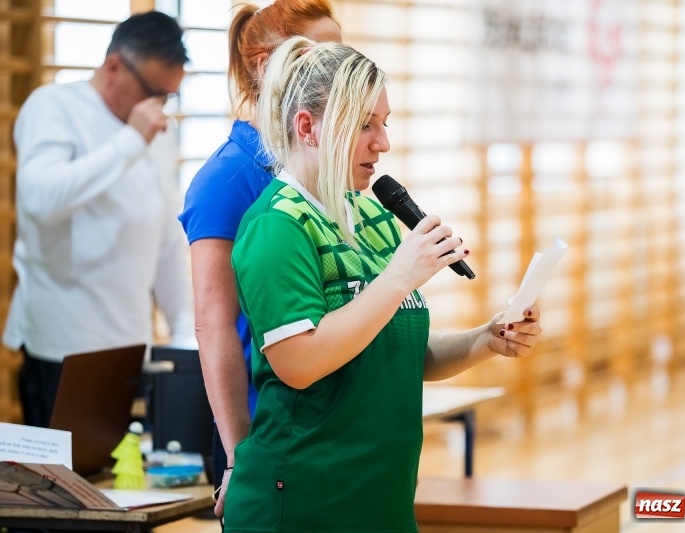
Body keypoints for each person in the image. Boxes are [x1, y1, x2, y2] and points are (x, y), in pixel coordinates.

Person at [224, 36, 542, 532]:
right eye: (364, 125)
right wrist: (399, 276)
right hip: (304, 505)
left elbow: (395, 349)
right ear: (307, 127)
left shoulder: (371, 212)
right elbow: (301, 364)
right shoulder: (277, 226)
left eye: (384, 124)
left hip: (381, 502)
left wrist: (486, 339)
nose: (383, 142)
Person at [177, 0, 341, 516]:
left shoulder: (317, 165)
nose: (339, 67)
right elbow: (213, 326)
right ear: (270, 65)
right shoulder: (225, 180)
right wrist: (236, 457)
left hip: (321, 423)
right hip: (261, 433)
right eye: (322, 54)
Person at [4, 11, 195, 429]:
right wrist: (130, 141)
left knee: (126, 488)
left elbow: (164, 237)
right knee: (60, 492)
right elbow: (40, 200)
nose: (158, 106)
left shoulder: (153, 132)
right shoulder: (54, 106)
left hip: (129, 350)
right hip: (60, 349)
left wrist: (185, 334)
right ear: (114, 66)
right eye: (152, 92)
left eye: (168, 96)